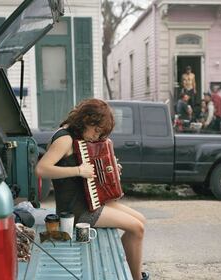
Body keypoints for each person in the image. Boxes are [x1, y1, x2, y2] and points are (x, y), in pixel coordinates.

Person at [35, 99, 149, 280]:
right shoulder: (65, 139)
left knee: (141, 220)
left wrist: (110, 169)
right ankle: (136, 278)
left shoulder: (77, 136)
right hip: (77, 210)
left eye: (101, 134)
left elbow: (90, 169)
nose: (96, 137)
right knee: (136, 228)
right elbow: (41, 169)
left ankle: (128, 268)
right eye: (96, 131)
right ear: (86, 120)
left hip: (90, 201)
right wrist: (79, 170)